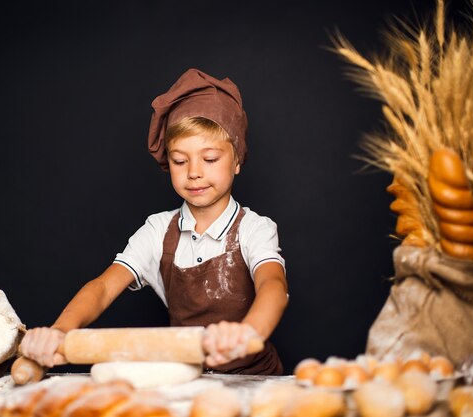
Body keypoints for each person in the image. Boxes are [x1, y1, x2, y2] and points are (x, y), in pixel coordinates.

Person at [19, 68, 288, 375]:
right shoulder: (159, 230)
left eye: (210, 158)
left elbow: (273, 286)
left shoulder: (254, 228)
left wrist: (248, 332)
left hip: (256, 382)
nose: (194, 172)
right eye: (179, 160)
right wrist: (61, 330)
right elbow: (104, 287)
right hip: (189, 381)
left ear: (237, 160)